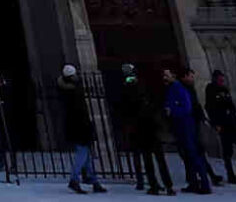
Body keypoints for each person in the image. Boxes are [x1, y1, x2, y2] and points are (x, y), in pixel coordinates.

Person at [116, 64, 174, 195]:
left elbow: (124, 109)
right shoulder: (143, 87)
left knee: (147, 159)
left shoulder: (127, 90)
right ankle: (167, 185)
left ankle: (152, 184)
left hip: (140, 128)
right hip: (150, 127)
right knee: (159, 159)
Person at [161, 65, 214, 194]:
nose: (164, 78)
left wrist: (171, 110)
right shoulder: (172, 88)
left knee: (193, 155)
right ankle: (194, 183)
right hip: (180, 126)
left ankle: (204, 184)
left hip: (185, 125)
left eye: (167, 75)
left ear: (173, 76)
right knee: (188, 157)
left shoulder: (178, 88)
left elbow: (186, 107)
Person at [59, 63, 108, 195]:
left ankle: (94, 181)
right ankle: (74, 179)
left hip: (74, 126)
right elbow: (80, 111)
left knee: (86, 156)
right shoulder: (74, 91)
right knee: (82, 155)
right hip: (80, 127)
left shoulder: (65, 90)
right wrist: (88, 126)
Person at [203, 72, 236, 185]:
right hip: (222, 125)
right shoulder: (211, 89)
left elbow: (231, 106)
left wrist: (235, 119)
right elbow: (210, 107)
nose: (221, 81)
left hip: (231, 124)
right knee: (227, 149)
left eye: (222, 79)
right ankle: (231, 175)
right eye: (220, 79)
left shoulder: (224, 90)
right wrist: (215, 124)